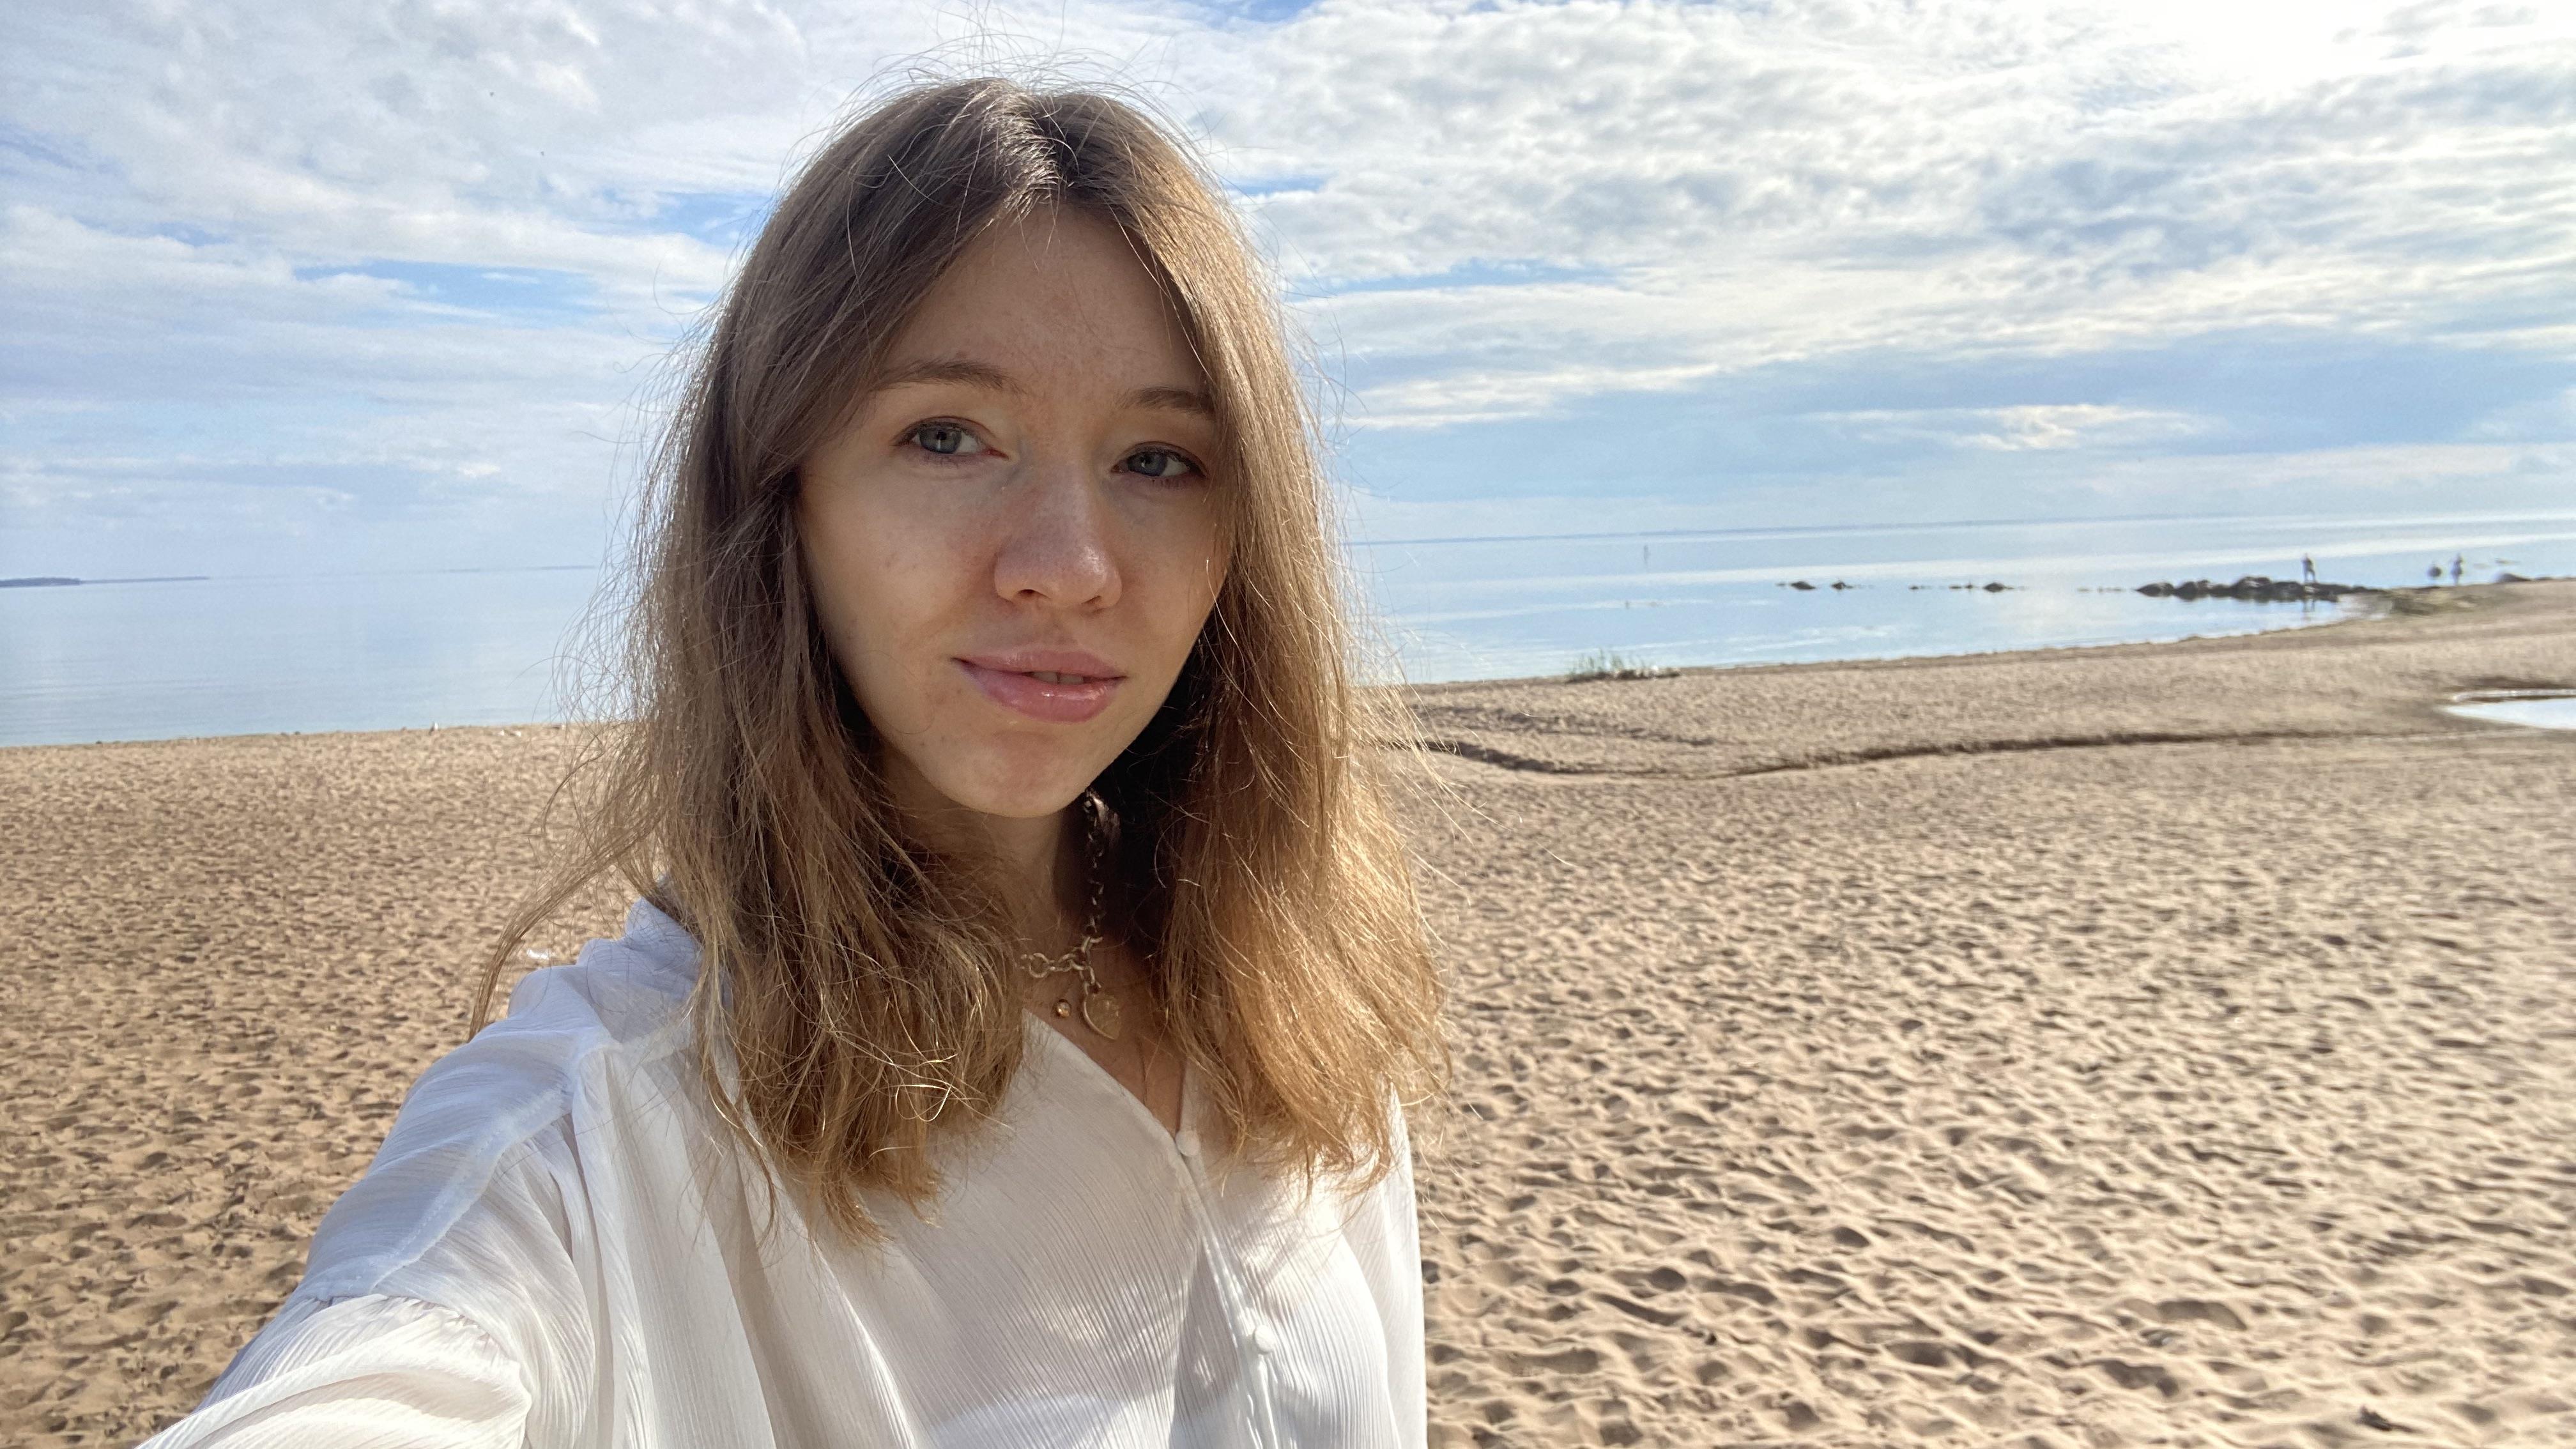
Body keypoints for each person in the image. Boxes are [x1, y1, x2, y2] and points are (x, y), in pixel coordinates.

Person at [137, 77, 1447, 1448]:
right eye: (948, 436)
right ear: (783, 495)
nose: (1069, 565)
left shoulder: (1292, 993)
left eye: (1161, 459)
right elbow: (391, 1362)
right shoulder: (605, 1125)